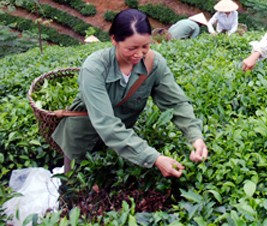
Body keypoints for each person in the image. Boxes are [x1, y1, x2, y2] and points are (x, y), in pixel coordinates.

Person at [52, 9, 208, 178]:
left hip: (121, 143)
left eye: (145, 46)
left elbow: (176, 103)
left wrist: (195, 138)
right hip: (81, 139)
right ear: (114, 40)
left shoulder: (154, 65)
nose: (139, 54)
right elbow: (106, 123)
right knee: (74, 185)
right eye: (131, 48)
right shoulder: (94, 68)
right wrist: (154, 158)